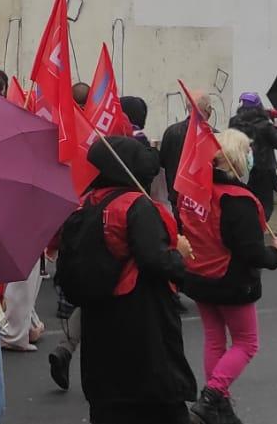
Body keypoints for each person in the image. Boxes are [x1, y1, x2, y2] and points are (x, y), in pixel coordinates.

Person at [77, 136, 196, 424]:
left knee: (111, 399)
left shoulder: (87, 202)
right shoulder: (136, 205)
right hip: (142, 312)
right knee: (158, 399)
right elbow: (154, 259)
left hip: (98, 314)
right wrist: (178, 255)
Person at [178, 130, 277, 424]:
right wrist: (274, 253)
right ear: (238, 158)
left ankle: (220, 406)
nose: (252, 156)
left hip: (199, 276)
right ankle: (211, 397)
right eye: (249, 151)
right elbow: (251, 252)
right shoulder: (238, 200)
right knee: (246, 342)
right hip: (231, 281)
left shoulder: (193, 192)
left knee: (214, 339)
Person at [226, 93, 277, 216]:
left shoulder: (234, 123)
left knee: (246, 201)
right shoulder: (265, 125)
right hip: (264, 170)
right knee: (265, 205)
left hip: (242, 168)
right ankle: (260, 227)